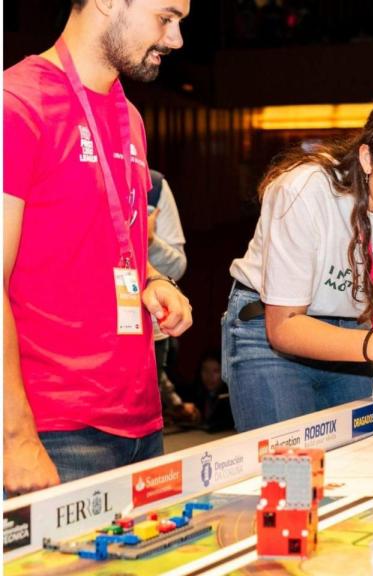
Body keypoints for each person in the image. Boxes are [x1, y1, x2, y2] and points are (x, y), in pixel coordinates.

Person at [4, 0, 193, 495]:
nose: (175, 40)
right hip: (54, 431)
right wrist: (16, 438)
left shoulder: (129, 116)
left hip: (142, 422)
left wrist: (154, 280)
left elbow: (110, 240)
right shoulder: (16, 104)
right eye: (166, 18)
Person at [224, 89, 373, 432]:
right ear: (367, 158)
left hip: (356, 334)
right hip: (273, 331)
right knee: (289, 460)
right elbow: (284, 327)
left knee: (361, 451)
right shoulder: (304, 190)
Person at [147, 169, 199, 424]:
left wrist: (149, 241)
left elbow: (178, 266)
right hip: (85, 324)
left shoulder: (154, 186)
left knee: (143, 421)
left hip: (148, 327)